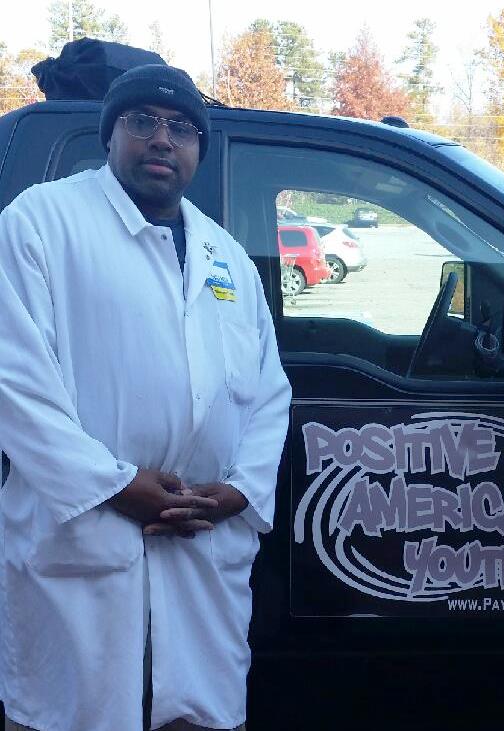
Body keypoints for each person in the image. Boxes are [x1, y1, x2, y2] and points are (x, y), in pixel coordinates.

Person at [0, 64, 291, 730]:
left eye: (181, 128)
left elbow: (269, 392)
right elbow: (13, 380)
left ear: (198, 149)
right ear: (110, 135)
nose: (163, 138)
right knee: (73, 713)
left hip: (199, 551)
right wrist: (115, 486)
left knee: (198, 715)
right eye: (143, 122)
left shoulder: (226, 257)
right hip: (84, 544)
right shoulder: (42, 222)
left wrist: (239, 491)